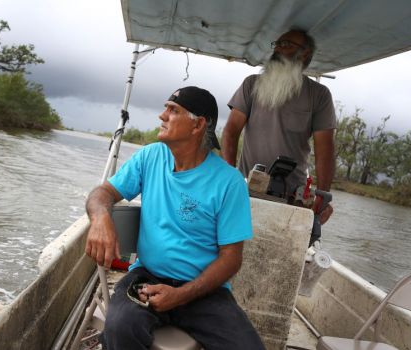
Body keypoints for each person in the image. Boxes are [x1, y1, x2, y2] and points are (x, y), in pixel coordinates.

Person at [85, 86, 264, 350]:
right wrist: (101, 217)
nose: (162, 116)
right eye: (165, 108)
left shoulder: (229, 182)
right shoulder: (150, 156)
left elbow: (231, 258)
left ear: (198, 125)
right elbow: (102, 193)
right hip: (147, 278)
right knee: (121, 328)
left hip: (203, 290)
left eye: (173, 110)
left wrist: (181, 295)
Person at [222, 29, 335, 224]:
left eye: (287, 45)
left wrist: (323, 195)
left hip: (292, 197)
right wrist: (228, 179)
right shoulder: (251, 84)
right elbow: (231, 132)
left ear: (305, 53)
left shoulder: (319, 95)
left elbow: (324, 149)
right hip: (245, 189)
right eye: (278, 44)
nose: (279, 49)